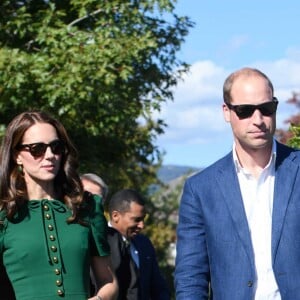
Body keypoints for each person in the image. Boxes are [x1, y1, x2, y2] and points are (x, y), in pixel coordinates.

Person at [174, 67, 300, 299]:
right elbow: (191, 275)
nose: (258, 120)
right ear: (226, 111)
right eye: (245, 111)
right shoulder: (201, 189)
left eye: (266, 108)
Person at [0, 111, 118, 300]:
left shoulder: (86, 207)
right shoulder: (4, 214)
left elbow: (109, 282)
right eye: (37, 149)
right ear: (17, 156)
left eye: (56, 147)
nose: (50, 156)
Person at [82, 183, 170, 300]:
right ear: (115, 216)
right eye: (136, 220)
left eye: (143, 219)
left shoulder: (144, 243)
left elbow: (158, 286)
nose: (142, 225)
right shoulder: (98, 242)